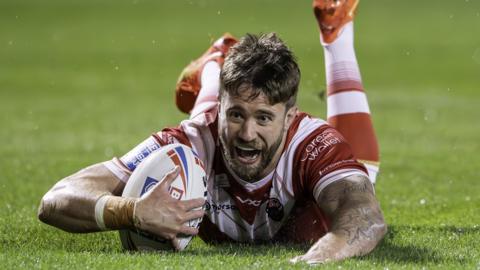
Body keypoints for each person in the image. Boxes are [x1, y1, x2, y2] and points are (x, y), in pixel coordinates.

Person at [38, 0, 386, 264]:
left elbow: (366, 218)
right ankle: (213, 70)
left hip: (270, 128)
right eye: (236, 114)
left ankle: (335, 36)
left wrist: (316, 260)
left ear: (290, 116)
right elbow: (56, 199)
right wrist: (130, 210)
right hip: (208, 119)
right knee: (207, 123)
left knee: (364, 170)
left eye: (265, 118)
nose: (248, 133)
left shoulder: (312, 145)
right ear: (223, 106)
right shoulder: (188, 142)